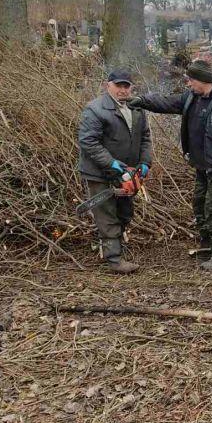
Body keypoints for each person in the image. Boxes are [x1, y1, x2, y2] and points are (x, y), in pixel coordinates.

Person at [129, 60, 212, 272]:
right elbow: (165, 103)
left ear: (202, 80)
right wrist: (141, 101)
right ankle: (208, 247)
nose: (188, 83)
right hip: (201, 167)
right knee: (200, 206)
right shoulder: (191, 98)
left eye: (191, 80)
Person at [78, 69, 152, 274]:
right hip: (100, 172)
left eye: (126, 85)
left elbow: (145, 137)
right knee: (106, 214)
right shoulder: (95, 109)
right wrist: (111, 163)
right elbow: (88, 142)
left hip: (127, 173)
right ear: (108, 85)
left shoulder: (136, 108)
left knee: (124, 212)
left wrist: (145, 162)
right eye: (118, 85)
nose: (122, 89)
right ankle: (114, 259)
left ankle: (114, 248)